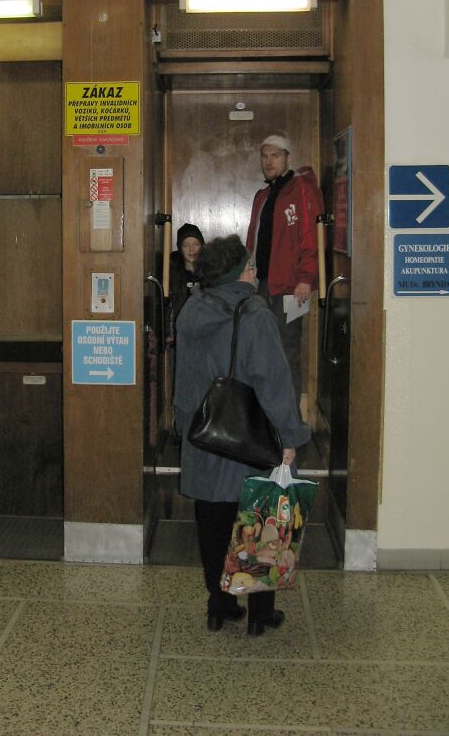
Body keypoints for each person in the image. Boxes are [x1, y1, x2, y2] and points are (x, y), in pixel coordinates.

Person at [174, 234, 311, 636]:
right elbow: (273, 382)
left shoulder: (190, 311)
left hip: (203, 433)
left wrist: (185, 428)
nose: (255, 272)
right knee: (259, 519)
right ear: (241, 272)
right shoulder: (254, 313)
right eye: (251, 267)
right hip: (249, 439)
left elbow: (183, 378)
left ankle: (219, 606)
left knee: (213, 520)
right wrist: (290, 435)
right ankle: (260, 613)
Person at [246, 134, 324, 401]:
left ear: (287, 158)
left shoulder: (300, 188)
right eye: (264, 156)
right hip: (262, 286)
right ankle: (265, 414)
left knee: (288, 350)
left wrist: (305, 278)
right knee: (260, 349)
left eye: (275, 155)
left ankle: (289, 421)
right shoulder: (263, 195)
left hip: (291, 287)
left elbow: (309, 237)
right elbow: (253, 241)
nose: (269, 161)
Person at [167, 223, 204, 341]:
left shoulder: (211, 271)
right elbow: (164, 304)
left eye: (196, 244)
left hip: (205, 330)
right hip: (179, 331)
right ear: (180, 248)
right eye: (186, 245)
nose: (192, 250)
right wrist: (168, 331)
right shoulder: (170, 270)